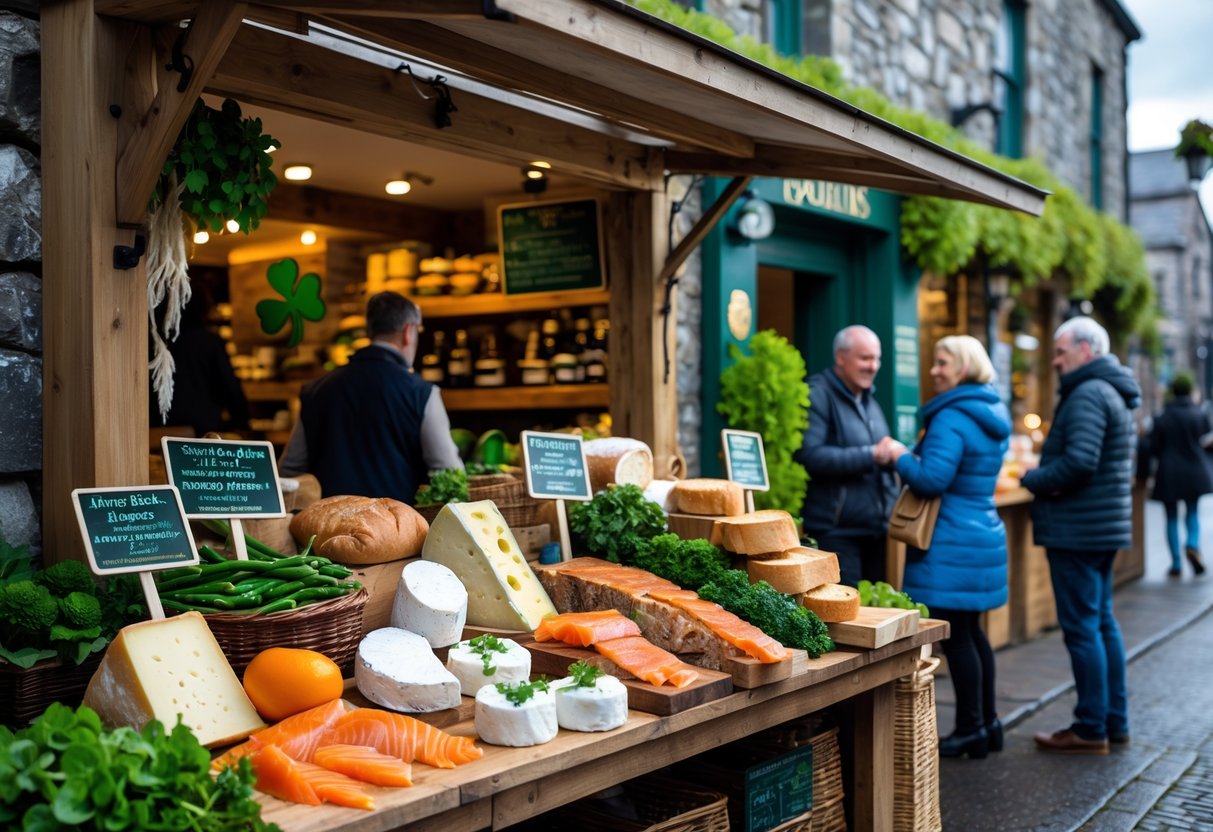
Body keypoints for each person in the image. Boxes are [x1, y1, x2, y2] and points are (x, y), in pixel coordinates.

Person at [1021, 316, 1140, 755]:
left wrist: (1034, 477)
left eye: (1061, 352)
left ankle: (1091, 728)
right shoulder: (1109, 389)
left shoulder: (1089, 393)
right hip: (1099, 527)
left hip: (1078, 529)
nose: (1054, 361)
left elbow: (1080, 463)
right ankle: (1113, 721)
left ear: (1086, 351)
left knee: (1083, 629)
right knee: (1101, 623)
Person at [886, 335, 1010, 759]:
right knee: (973, 633)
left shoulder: (952, 416)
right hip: (981, 534)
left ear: (962, 368)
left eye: (942, 363)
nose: (934, 370)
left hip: (951, 539)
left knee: (957, 637)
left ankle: (971, 728)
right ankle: (989, 724)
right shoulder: (990, 411)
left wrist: (898, 455)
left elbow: (932, 479)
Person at [278, 291, 463, 504]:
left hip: (325, 532)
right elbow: (449, 473)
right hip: (397, 533)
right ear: (408, 332)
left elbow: (289, 470)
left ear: (370, 331)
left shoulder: (315, 390)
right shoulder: (421, 393)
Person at [794, 324, 899, 586]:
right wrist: (872, 454)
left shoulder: (869, 401)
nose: (873, 366)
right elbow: (810, 455)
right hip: (837, 534)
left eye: (877, 359)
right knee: (846, 622)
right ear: (841, 357)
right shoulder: (818, 394)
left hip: (877, 533)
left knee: (877, 616)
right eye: (865, 358)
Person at [151, 287, 249, 438]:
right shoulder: (210, 342)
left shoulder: (158, 341)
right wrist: (243, 423)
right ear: (203, 310)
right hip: (203, 431)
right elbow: (230, 388)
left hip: (159, 428)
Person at [1146, 372, 1210, 577]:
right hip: (1194, 471)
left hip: (1169, 472)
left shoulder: (1162, 417)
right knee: (1192, 512)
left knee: (1171, 517)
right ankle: (1192, 544)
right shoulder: (1199, 415)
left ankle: (1175, 563)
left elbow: (1153, 447)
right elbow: (1206, 441)